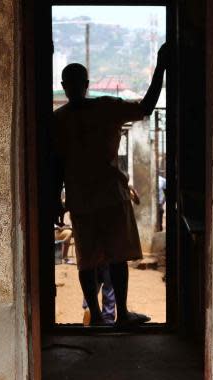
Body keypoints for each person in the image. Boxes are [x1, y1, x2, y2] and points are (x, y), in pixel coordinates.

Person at [51, 44, 168, 327]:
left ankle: (96, 316)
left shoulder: (59, 120)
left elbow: (55, 164)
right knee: (117, 257)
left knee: (86, 260)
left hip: (81, 199)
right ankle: (122, 314)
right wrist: (161, 67)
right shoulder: (106, 107)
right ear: (87, 85)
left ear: (65, 86)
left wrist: (56, 199)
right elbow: (146, 107)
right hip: (111, 197)